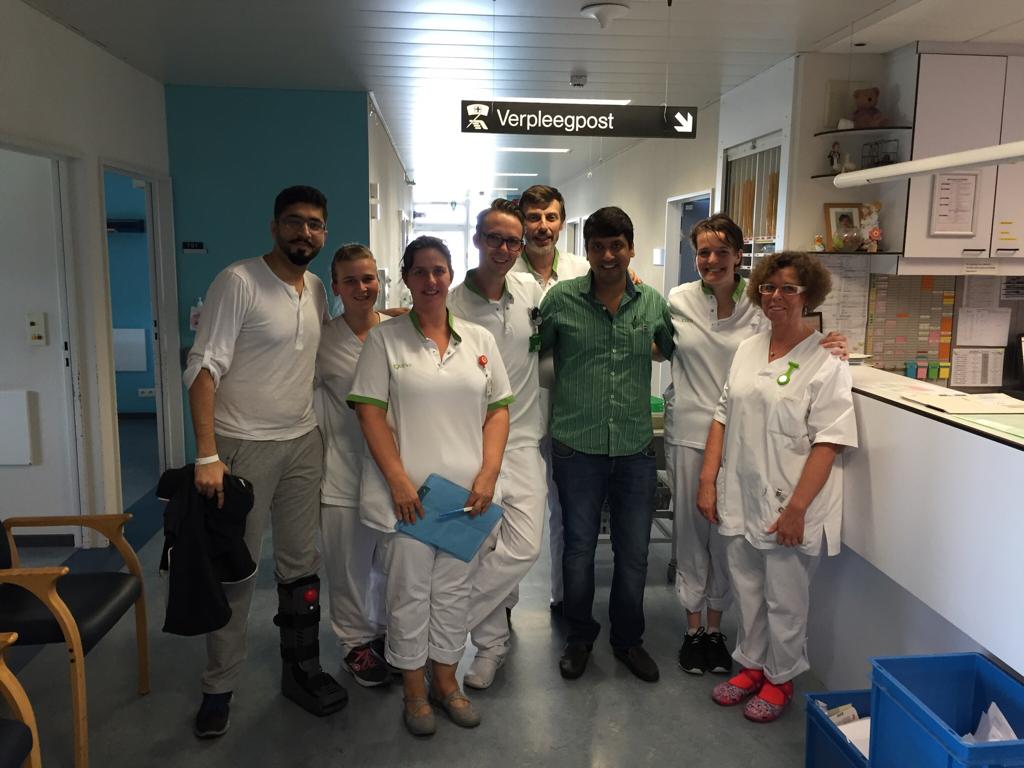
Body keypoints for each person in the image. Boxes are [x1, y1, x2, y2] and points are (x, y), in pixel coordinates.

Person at [183, 185, 347, 739]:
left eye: (316, 225)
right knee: (238, 573)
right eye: (296, 222)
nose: (307, 233)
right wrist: (207, 454)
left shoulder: (319, 288)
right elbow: (203, 369)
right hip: (241, 447)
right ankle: (218, 688)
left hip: (303, 442)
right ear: (275, 226)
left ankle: (301, 668)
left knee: (302, 566)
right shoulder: (238, 282)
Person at [664, 214, 848, 677]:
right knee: (716, 556)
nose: (711, 260)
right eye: (703, 252)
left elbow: (827, 433)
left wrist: (838, 341)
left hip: (766, 468)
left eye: (721, 251)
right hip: (709, 451)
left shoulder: (789, 330)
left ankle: (754, 657)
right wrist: (709, 476)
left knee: (760, 571)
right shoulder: (685, 305)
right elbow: (718, 404)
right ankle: (719, 646)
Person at [349, 236, 513, 736]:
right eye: (420, 271)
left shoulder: (480, 340)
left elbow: (499, 410)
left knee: (453, 594)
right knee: (409, 594)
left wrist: (487, 475)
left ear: (450, 274)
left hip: (465, 499)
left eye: (439, 270)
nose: (430, 280)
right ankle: (415, 690)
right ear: (407, 277)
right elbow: (370, 413)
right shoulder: (385, 340)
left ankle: (447, 681)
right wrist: (398, 481)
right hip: (411, 501)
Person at [698, 251, 857, 723]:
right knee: (746, 588)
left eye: (789, 288)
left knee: (785, 599)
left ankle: (781, 678)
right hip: (741, 493)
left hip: (791, 501)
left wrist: (798, 509)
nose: (776, 297)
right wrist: (709, 480)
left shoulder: (826, 361)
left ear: (809, 296)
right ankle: (750, 665)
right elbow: (722, 414)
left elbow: (830, 442)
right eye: (769, 287)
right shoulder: (748, 348)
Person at [539, 206, 674, 683]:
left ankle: (627, 640)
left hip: (635, 448)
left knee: (633, 551)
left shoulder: (653, 304)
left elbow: (681, 347)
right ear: (588, 251)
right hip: (577, 446)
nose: (608, 255)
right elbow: (534, 352)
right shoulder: (560, 300)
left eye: (617, 245)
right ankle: (579, 639)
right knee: (577, 550)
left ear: (631, 248)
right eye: (598, 246)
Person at [448, 199, 546, 690]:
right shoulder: (450, 304)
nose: (505, 248)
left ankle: (445, 626)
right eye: (495, 239)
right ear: (478, 240)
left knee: (524, 546)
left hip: (524, 439)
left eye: (513, 241)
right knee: (480, 546)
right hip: (471, 445)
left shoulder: (530, 290)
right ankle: (490, 649)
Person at [314, 243, 391, 687]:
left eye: (368, 278)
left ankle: (381, 633)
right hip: (342, 472)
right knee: (348, 567)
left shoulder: (398, 331)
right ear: (336, 286)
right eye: (351, 280)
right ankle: (354, 645)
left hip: (393, 476)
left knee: (389, 564)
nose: (362, 288)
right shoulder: (323, 341)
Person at [511, 185, 590, 615]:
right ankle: (501, 609)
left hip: (571, 407)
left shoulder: (583, 270)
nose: (543, 227)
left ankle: (565, 600)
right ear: (522, 220)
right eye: (534, 217)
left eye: (551, 217)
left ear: (562, 222)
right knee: (509, 513)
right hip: (517, 412)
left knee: (567, 512)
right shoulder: (502, 268)